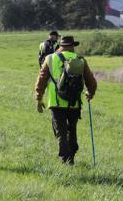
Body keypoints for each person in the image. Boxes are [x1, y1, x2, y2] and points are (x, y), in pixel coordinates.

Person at [35, 36, 97, 165]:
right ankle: (72, 153)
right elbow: (91, 80)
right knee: (72, 129)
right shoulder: (80, 59)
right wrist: (90, 93)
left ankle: (65, 159)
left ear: (60, 46)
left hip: (56, 102)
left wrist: (39, 97)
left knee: (61, 131)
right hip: (74, 102)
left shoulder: (50, 58)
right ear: (73, 46)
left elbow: (41, 80)